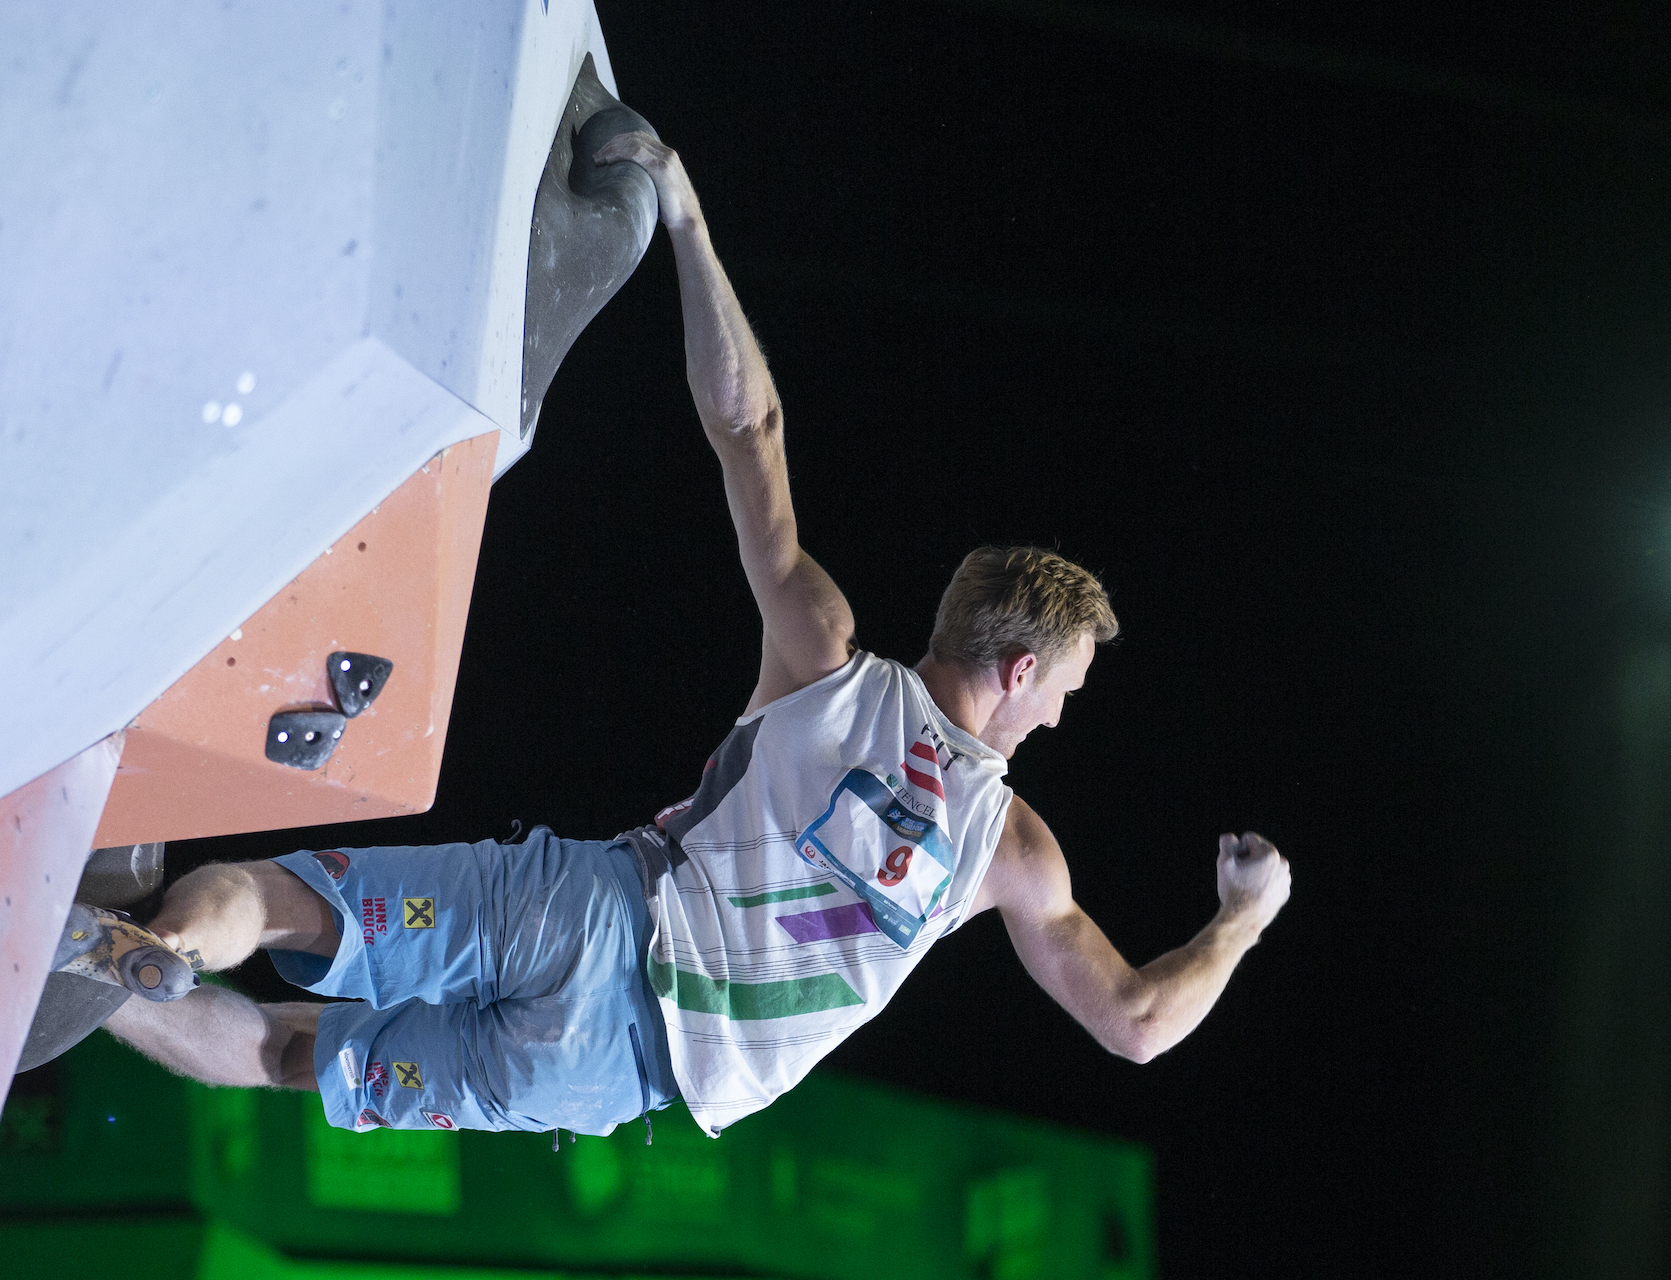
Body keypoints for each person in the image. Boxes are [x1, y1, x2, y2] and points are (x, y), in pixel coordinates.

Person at [102, 128, 1292, 1138]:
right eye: (1069, 687)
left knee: (282, 900)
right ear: (1022, 666)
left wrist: (682, 210)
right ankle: (99, 983)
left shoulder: (824, 653)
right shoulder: (1009, 852)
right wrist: (1242, 917)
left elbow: (750, 427)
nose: (1063, 710)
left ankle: (162, 939)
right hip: (612, 1071)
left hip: (585, 910)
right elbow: (1137, 1025)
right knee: (288, 1058)